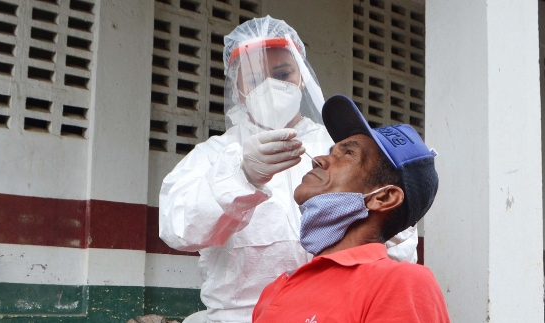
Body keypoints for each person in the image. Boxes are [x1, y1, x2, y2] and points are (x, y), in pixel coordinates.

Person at [158, 16, 419, 323]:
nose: (270, 86)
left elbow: (393, 237)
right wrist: (239, 178)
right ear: (236, 86)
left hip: (332, 313)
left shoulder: (337, 147)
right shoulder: (214, 156)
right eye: (255, 79)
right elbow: (177, 230)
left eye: (283, 73)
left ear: (301, 77)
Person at [252, 95, 449, 322]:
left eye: (348, 154)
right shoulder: (276, 289)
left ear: (384, 197)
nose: (318, 159)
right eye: (330, 151)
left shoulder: (401, 282)